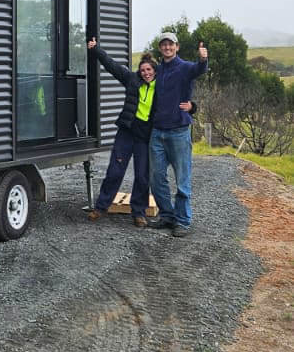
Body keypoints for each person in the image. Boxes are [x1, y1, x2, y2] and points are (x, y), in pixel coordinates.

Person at [85, 40, 158, 227]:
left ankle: (139, 213)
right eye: (143, 70)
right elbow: (112, 66)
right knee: (115, 171)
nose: (146, 73)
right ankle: (101, 207)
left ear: (155, 71)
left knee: (142, 176)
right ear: (139, 72)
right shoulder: (131, 79)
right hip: (126, 133)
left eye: (149, 70)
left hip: (145, 137)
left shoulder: (161, 86)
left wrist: (191, 108)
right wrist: (96, 49)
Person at [148, 32, 209, 237]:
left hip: (179, 132)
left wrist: (203, 58)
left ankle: (182, 221)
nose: (167, 48)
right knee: (156, 177)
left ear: (177, 47)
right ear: (160, 48)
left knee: (182, 179)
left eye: (171, 44)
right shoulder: (158, 70)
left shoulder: (184, 67)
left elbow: (199, 69)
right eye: (164, 45)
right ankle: (167, 216)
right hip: (157, 132)